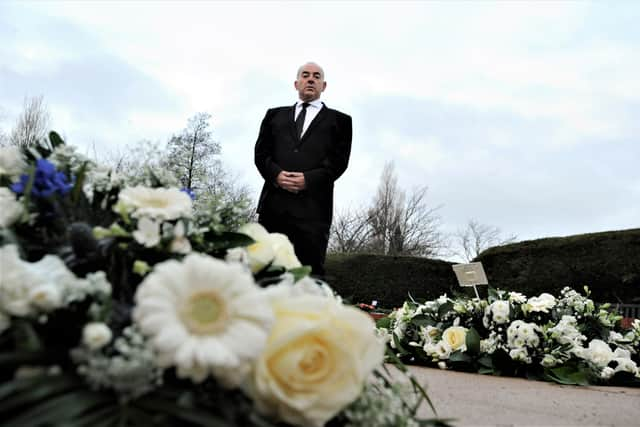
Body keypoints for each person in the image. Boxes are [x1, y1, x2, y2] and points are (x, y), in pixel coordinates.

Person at [254, 62, 352, 276]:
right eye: (305, 75)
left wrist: (308, 179)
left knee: (309, 276)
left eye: (316, 76)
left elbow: (338, 162)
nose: (310, 79)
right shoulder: (274, 116)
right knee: (264, 272)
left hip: (313, 213)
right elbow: (261, 155)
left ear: (323, 86)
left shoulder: (341, 121)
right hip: (274, 208)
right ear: (296, 83)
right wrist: (276, 175)